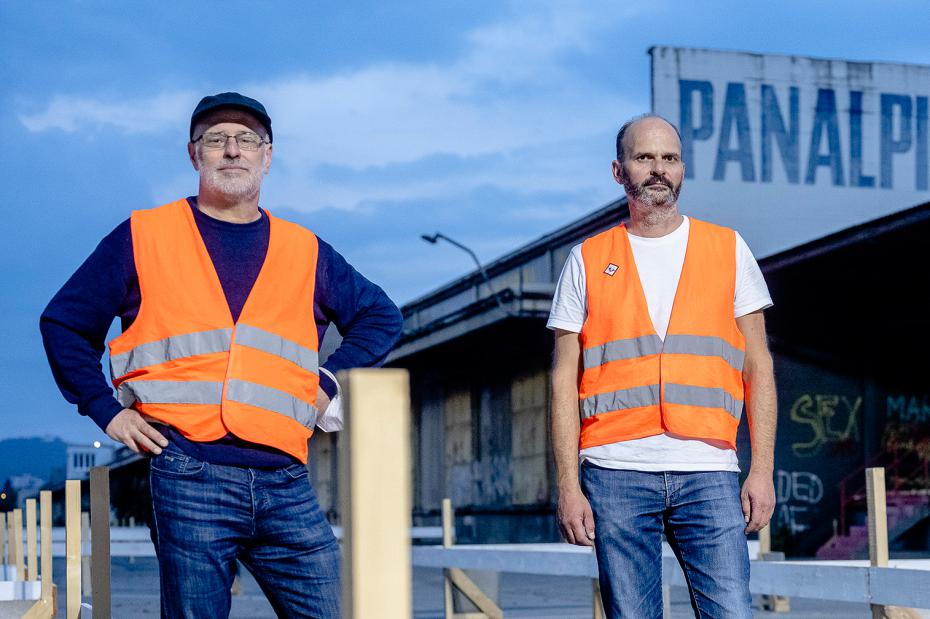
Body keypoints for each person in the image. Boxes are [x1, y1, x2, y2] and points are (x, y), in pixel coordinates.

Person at [40, 92, 403, 618]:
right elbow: (65, 322)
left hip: (286, 477)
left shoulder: (305, 249)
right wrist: (107, 411)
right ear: (195, 155)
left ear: (267, 155)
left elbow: (381, 315)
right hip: (189, 470)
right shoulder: (144, 235)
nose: (232, 150)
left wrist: (326, 381)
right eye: (216, 140)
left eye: (247, 140)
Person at [548, 114, 776, 618]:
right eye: (644, 157)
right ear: (618, 170)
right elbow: (563, 380)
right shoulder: (586, 259)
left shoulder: (728, 249)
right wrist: (567, 486)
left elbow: (757, 365)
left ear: (682, 169)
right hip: (615, 472)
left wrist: (761, 470)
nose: (658, 169)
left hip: (709, 470)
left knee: (732, 612)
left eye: (669, 158)